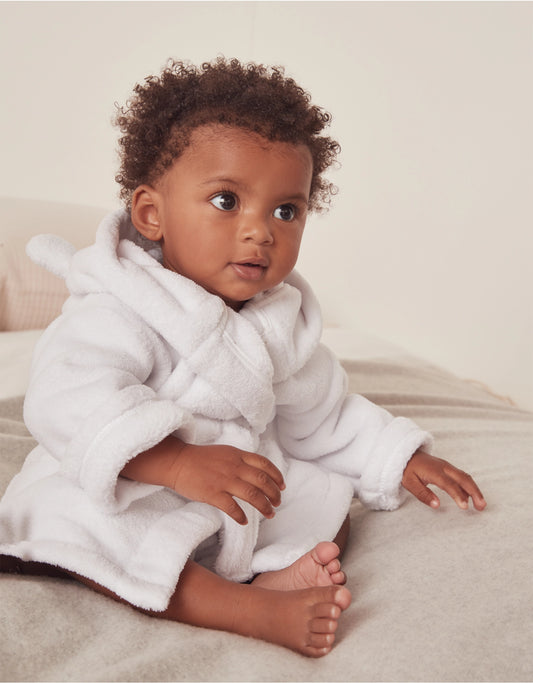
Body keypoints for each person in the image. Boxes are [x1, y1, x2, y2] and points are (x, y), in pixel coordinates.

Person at [0, 58, 486, 658]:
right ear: (152, 213)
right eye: (227, 200)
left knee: (324, 498)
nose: (261, 232)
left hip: (229, 487)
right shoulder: (117, 306)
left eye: (287, 210)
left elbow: (322, 416)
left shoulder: (279, 320)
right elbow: (67, 397)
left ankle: (271, 572)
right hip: (133, 478)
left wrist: (397, 456)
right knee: (89, 523)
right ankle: (248, 609)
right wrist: (173, 461)